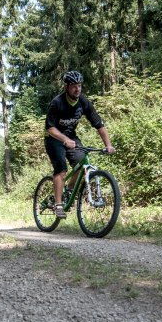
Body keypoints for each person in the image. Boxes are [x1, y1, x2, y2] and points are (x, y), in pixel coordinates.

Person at [44, 70, 116, 219]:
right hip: (54, 138)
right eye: (73, 86)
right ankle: (58, 205)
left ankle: (69, 190)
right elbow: (50, 128)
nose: (77, 89)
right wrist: (64, 139)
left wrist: (108, 145)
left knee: (81, 162)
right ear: (66, 87)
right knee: (61, 170)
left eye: (79, 85)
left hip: (71, 138)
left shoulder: (83, 102)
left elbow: (99, 125)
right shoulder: (57, 103)